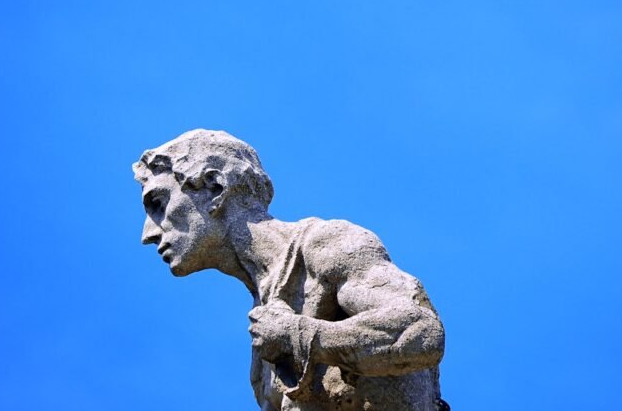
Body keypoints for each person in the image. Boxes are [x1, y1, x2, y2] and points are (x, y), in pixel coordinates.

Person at [133, 129, 448, 411]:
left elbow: (421, 332)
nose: (149, 233)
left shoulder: (325, 245)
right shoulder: (260, 368)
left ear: (215, 189)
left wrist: (302, 335)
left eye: (159, 204)